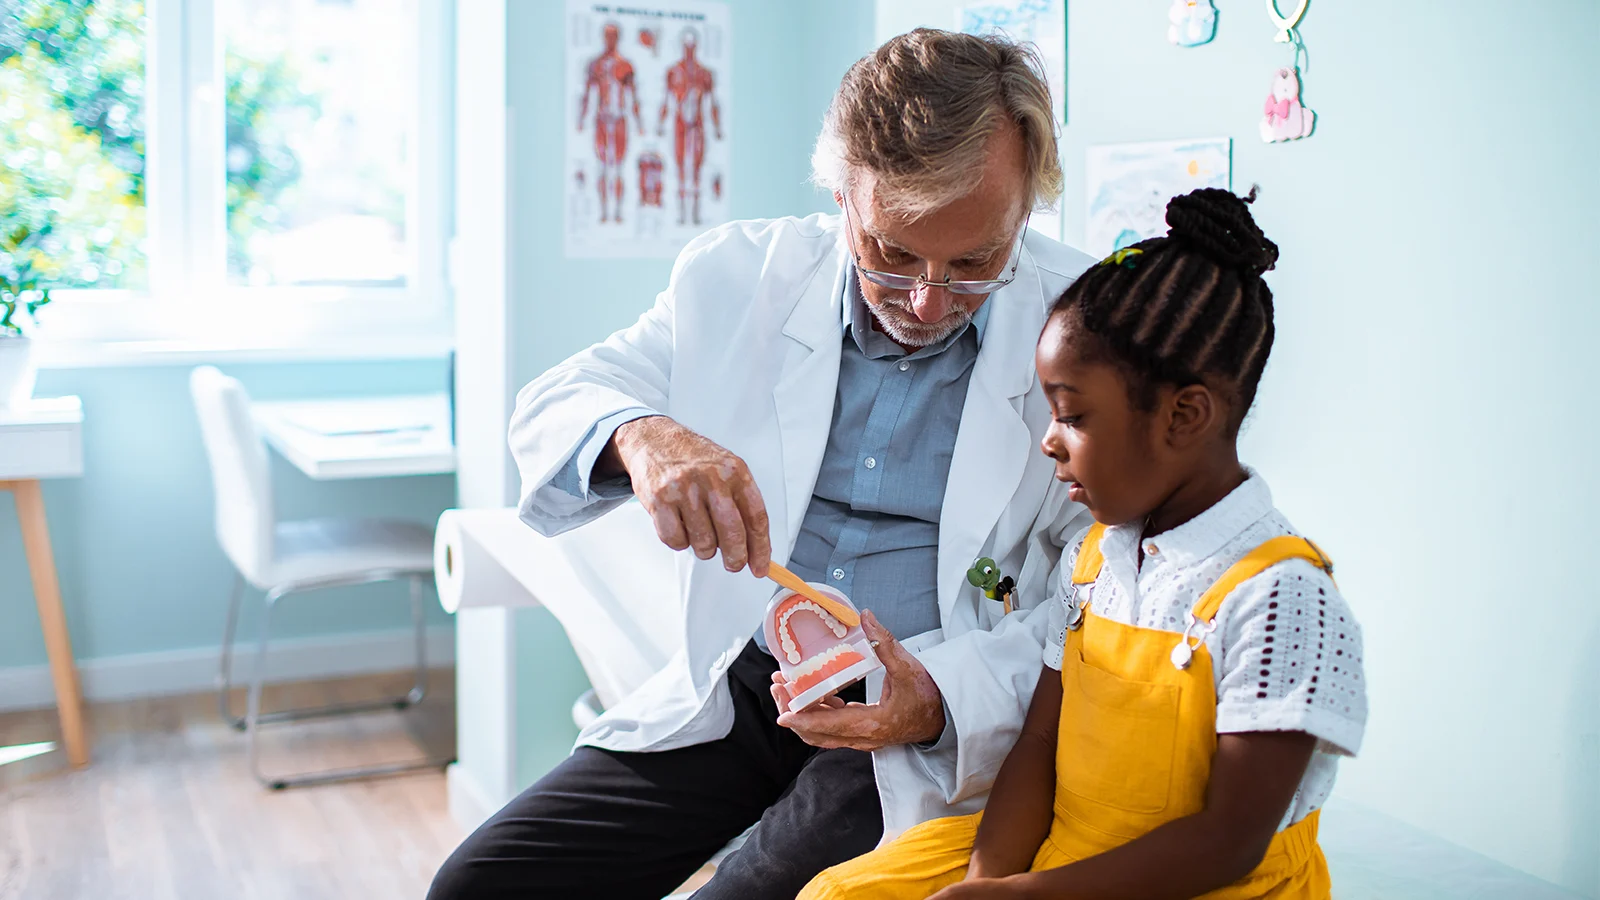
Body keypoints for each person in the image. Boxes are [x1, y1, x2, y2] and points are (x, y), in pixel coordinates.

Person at [428, 29, 1097, 900]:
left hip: (926, 692)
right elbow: (564, 400)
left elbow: (1100, 588)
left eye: (974, 263)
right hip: (749, 680)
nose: (929, 301)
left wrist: (940, 698)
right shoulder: (738, 275)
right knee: (482, 885)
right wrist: (641, 433)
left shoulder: (1089, 325)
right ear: (840, 194)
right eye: (892, 253)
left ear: (1027, 210)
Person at [798, 188, 1368, 900]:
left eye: (1072, 415)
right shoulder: (1093, 559)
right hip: (1065, 851)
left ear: (1184, 416)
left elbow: (1227, 845)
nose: (1048, 441)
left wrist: (1022, 897)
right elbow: (1038, 747)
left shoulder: (1282, 599)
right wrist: (988, 880)